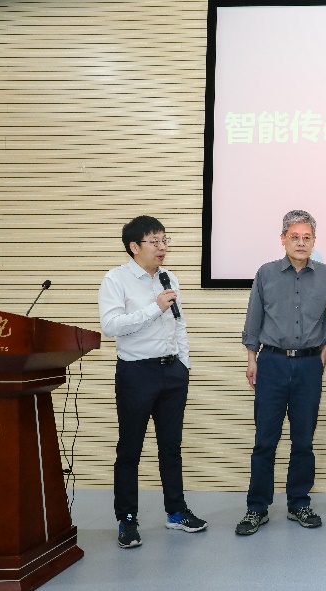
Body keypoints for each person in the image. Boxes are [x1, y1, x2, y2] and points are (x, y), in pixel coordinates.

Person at [98, 215, 207, 549]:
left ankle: (176, 511)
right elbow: (111, 326)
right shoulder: (116, 279)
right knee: (130, 448)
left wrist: (184, 364)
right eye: (155, 241)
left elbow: (179, 323)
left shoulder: (168, 277)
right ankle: (127, 519)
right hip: (136, 373)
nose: (162, 247)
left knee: (171, 447)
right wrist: (153, 308)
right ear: (135, 246)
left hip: (172, 371)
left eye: (164, 240)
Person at [235, 210, 326, 536]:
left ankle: (299, 503)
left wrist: (323, 352)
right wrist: (252, 359)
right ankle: (257, 508)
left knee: (303, 440)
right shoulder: (266, 273)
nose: (301, 243)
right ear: (283, 239)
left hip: (309, 366)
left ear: (314, 241)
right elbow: (253, 318)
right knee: (265, 440)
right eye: (295, 237)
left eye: (307, 237)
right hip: (272, 363)